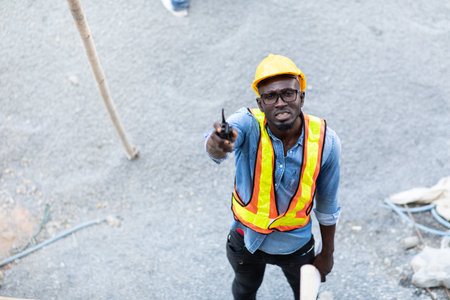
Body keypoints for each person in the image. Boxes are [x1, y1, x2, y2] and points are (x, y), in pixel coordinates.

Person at [204, 54, 341, 300]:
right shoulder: (247, 124)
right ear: (260, 103)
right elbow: (216, 145)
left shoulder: (325, 142)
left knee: (307, 295)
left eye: (288, 93)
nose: (280, 102)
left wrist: (327, 253)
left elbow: (328, 204)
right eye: (270, 96)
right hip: (246, 240)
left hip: (296, 244)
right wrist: (218, 142)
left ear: (302, 96)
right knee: (244, 290)